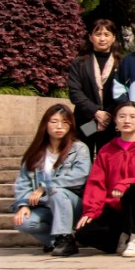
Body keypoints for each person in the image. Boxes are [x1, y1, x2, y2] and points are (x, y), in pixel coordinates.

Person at [74, 103, 135, 257]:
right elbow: (96, 183)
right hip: (114, 208)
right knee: (83, 233)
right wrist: (91, 210)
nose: (126, 120)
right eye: (122, 116)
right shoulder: (107, 149)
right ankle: (121, 237)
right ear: (115, 120)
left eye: (132, 117)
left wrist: (124, 184)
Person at [12, 104, 91, 256]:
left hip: (72, 205)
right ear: (45, 124)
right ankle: (56, 242)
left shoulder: (79, 148)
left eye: (65, 122)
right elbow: (23, 182)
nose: (59, 126)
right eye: (54, 122)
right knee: (23, 222)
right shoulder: (36, 153)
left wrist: (44, 187)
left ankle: (65, 237)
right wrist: (23, 204)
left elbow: (80, 175)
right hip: (45, 206)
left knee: (56, 191)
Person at [67, 20, 122, 155]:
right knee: (83, 156)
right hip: (86, 121)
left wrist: (108, 115)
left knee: (109, 159)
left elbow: (124, 92)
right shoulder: (80, 63)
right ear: (90, 37)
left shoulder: (122, 63)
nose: (102, 38)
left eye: (106, 34)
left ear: (113, 37)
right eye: (98, 34)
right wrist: (96, 112)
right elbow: (75, 92)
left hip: (112, 122)